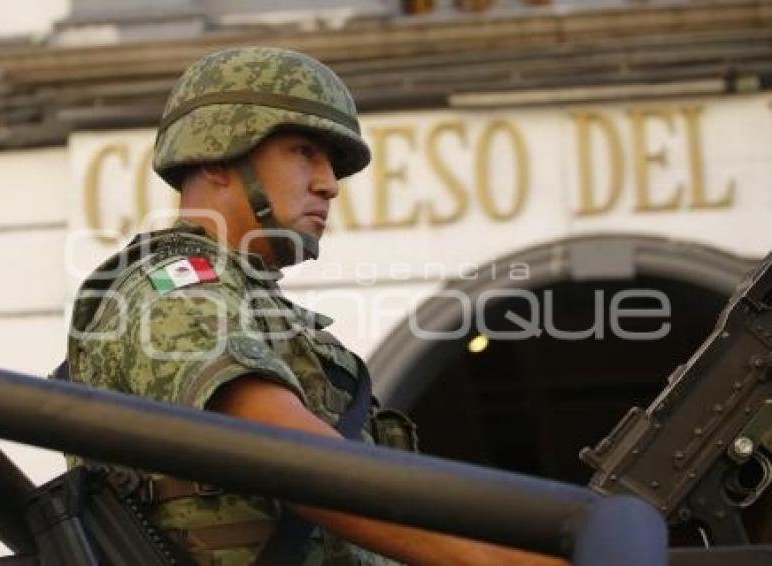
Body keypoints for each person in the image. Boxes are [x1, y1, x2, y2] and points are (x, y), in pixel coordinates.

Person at [67, 46, 568, 565]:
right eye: (304, 151)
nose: (329, 183)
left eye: (331, 163)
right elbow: (281, 449)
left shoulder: (261, 310)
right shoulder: (172, 288)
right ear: (217, 155)